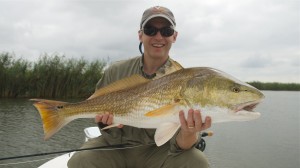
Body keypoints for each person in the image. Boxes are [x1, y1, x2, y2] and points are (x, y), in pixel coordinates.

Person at [68, 6, 212, 168]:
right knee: (80, 161)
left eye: (166, 31)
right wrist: (103, 123)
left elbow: (181, 146)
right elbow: (100, 115)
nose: (158, 36)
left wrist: (190, 131)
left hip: (159, 151)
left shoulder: (186, 81)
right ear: (140, 35)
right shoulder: (116, 71)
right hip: (117, 148)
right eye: (150, 30)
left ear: (174, 36)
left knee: (197, 162)